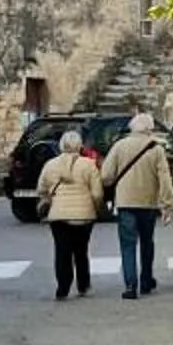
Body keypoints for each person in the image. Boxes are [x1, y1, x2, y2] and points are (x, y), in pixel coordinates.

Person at [103, 112, 173, 299]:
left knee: (127, 244)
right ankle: (146, 280)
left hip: (125, 202)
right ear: (150, 129)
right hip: (148, 203)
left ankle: (130, 285)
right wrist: (167, 204)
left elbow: (106, 176)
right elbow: (165, 179)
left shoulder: (119, 146)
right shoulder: (156, 149)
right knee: (146, 242)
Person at [35, 128, 105, 299]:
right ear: (80, 146)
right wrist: (96, 207)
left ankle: (63, 287)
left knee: (62, 251)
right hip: (83, 215)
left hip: (58, 215)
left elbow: (41, 189)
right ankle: (83, 285)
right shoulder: (88, 164)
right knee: (81, 251)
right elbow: (97, 193)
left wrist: (49, 199)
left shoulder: (50, 165)